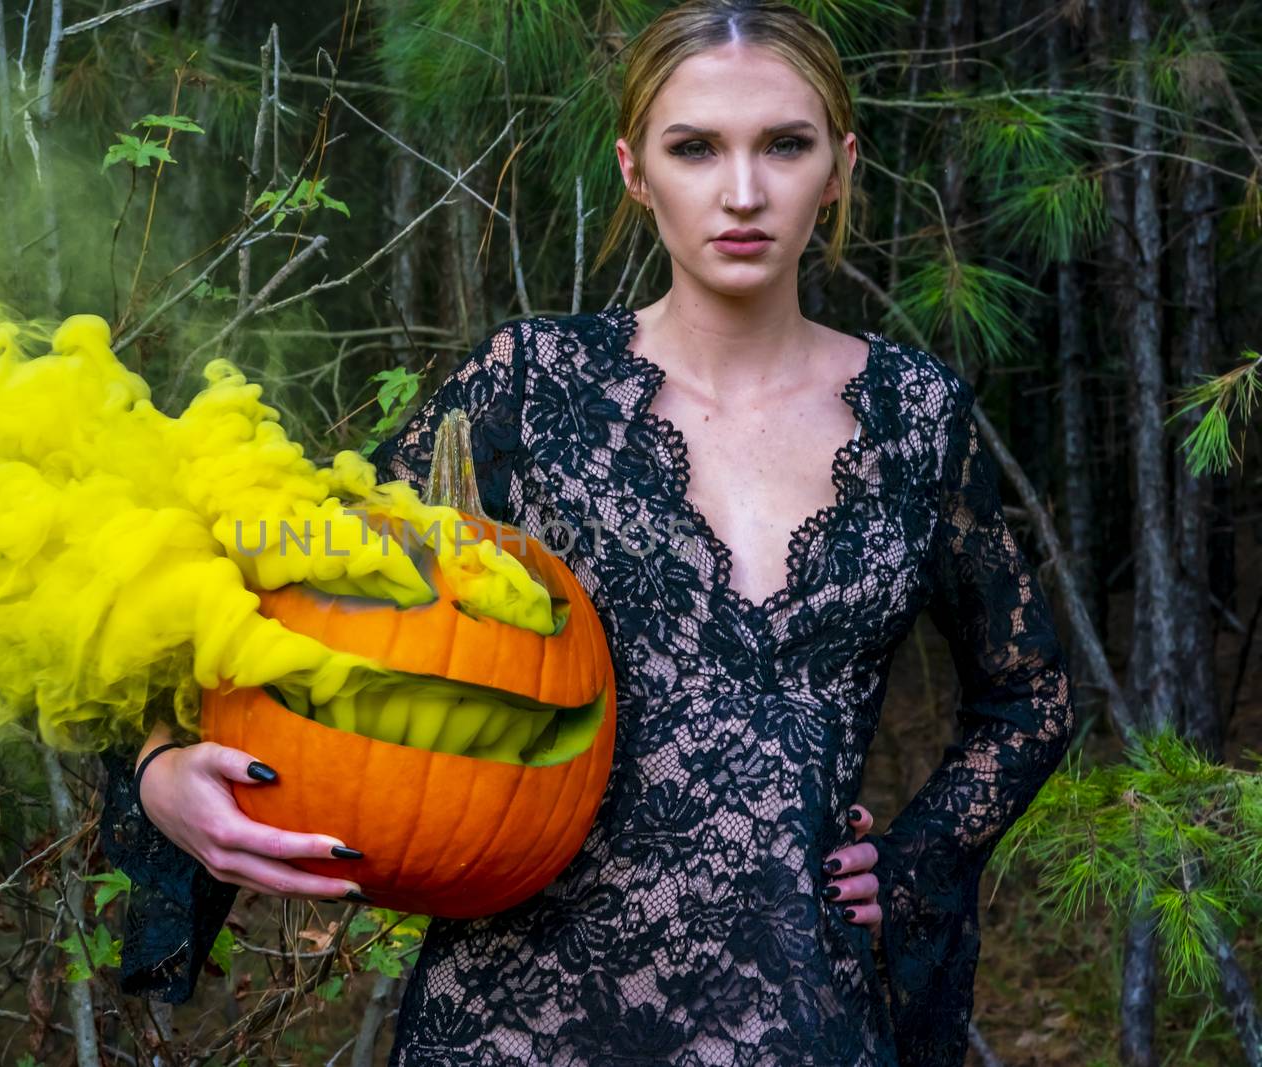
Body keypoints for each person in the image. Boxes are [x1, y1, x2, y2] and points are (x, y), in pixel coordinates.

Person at [97, 1, 1077, 1064]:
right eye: (694, 147)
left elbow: (1031, 692)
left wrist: (917, 855)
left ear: (837, 167)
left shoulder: (915, 413)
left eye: (783, 145)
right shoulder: (530, 385)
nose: (741, 191)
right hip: (515, 1020)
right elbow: (267, 600)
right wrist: (160, 767)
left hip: (800, 1014)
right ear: (634, 170)